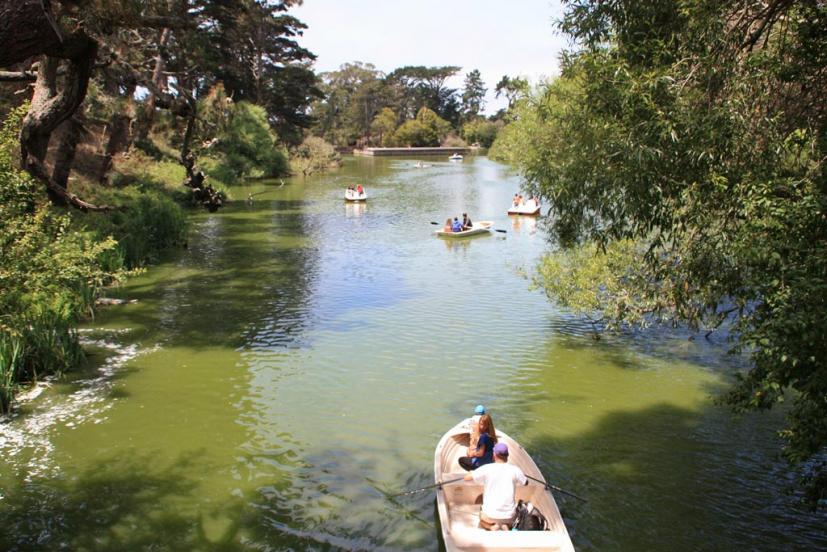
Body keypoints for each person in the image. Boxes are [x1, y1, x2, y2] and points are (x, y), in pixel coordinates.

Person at [464, 442, 528, 531]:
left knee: (482, 517)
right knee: (511, 517)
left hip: (489, 516)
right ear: (508, 455)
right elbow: (526, 483)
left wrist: (471, 472)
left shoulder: (487, 468)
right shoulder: (515, 470)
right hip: (509, 517)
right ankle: (505, 526)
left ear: (494, 455)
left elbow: (466, 478)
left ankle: (491, 527)